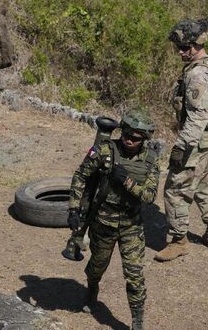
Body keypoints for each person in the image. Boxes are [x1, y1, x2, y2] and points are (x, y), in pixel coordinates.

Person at [68, 110, 160, 330]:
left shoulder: (150, 160)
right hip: (103, 224)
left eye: (136, 138)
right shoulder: (105, 151)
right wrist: (73, 209)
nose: (129, 139)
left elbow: (149, 197)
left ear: (144, 139)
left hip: (131, 226)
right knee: (96, 268)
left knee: (135, 275)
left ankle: (137, 321)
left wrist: (126, 181)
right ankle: (92, 289)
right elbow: (81, 176)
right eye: (126, 134)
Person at [155, 19, 208, 262]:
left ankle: (179, 241)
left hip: (195, 141)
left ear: (197, 45)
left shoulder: (197, 74)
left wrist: (181, 146)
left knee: (176, 190)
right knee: (207, 185)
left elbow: (197, 116)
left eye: (185, 47)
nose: (180, 52)